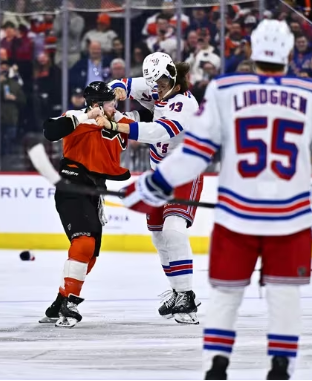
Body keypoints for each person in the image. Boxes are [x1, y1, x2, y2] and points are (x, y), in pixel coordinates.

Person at [119, 20, 312, 379]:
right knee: (284, 294)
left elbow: (194, 154)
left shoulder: (225, 90)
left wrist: (152, 185)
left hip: (237, 215)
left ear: (253, 53)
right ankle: (281, 368)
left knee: (226, 293)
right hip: (291, 217)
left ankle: (217, 366)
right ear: (288, 53)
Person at [106, 52, 202, 325]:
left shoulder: (186, 104)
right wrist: (114, 96)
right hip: (158, 173)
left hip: (183, 172)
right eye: (153, 83)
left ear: (172, 76)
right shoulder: (154, 83)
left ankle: (187, 295)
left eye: (160, 83)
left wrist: (118, 123)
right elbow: (123, 83)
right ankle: (177, 292)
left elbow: (158, 132)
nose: (155, 89)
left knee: (173, 229)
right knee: (159, 237)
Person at [39, 81, 134, 328]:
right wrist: (85, 117)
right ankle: (70, 303)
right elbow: (50, 131)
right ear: (95, 104)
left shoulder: (119, 120)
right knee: (84, 243)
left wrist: (129, 90)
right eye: (109, 102)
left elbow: (152, 124)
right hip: (71, 185)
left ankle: (60, 301)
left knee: (90, 255)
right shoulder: (77, 116)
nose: (115, 106)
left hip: (94, 192)